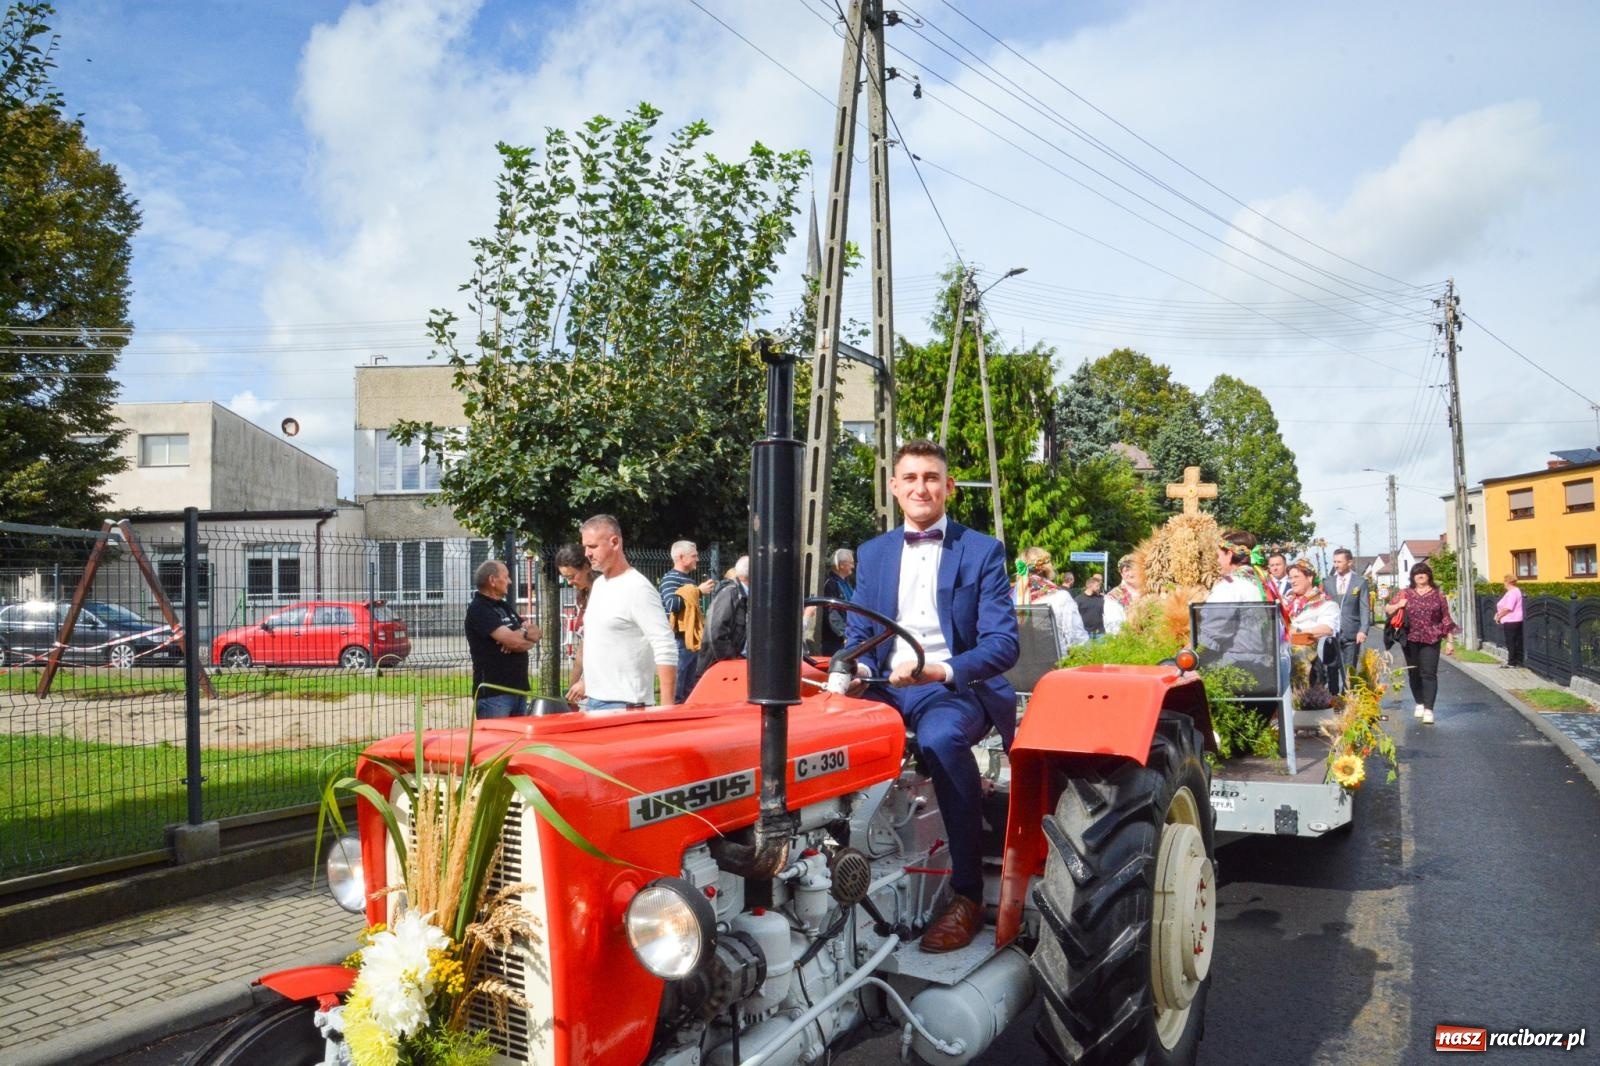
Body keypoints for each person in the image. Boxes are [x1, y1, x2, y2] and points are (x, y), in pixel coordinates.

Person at [844, 439, 1019, 954]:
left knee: (942, 739)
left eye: (932, 478)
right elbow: (859, 636)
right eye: (911, 478)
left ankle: (967, 893)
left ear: (949, 487)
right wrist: (854, 668)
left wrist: (940, 669)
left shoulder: (981, 550)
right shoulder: (873, 554)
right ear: (895, 488)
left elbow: (1003, 644)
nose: (922, 487)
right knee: (814, 735)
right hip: (884, 690)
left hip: (953, 688)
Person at [573, 515, 677, 711]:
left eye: (593, 546)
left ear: (614, 542)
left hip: (625, 704)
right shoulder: (599, 585)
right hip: (593, 701)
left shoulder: (638, 588)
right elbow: (600, 642)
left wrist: (667, 708)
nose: (587, 553)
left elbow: (665, 646)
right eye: (585, 547)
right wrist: (587, 681)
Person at [464, 559, 541, 718]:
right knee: (499, 742)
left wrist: (521, 637)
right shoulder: (479, 609)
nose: (510, 581)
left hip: (517, 690)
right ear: (492, 580)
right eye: (506, 577)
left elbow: (536, 633)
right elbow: (515, 641)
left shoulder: (504, 606)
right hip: (494, 695)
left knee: (519, 742)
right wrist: (521, 637)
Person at [1384, 561, 1457, 725]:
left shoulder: (1439, 595)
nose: (1420, 575)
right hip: (1410, 638)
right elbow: (1388, 609)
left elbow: (1446, 619)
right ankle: (1419, 702)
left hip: (1432, 637)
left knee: (1429, 673)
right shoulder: (1405, 593)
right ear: (1412, 577)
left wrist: (1450, 641)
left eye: (1423, 572)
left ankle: (1429, 709)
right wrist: (1398, 605)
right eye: (1417, 573)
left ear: (1429, 575)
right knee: (1414, 672)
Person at [661, 540, 716, 702]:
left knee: (689, 690)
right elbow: (672, 605)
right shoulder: (669, 579)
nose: (697, 559)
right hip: (679, 641)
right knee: (678, 690)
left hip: (690, 642)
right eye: (694, 556)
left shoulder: (689, 581)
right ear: (680, 557)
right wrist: (697, 591)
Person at [1014, 545, 1090, 655]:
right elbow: (1078, 639)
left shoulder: (1010, 597)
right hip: (1056, 667)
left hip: (1017, 669)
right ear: (1047, 566)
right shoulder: (1060, 597)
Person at [1285, 558, 1341, 691]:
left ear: (1309, 578)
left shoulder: (1326, 603)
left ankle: (1302, 696)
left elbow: (1326, 629)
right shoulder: (1286, 601)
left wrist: (1297, 632)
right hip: (1283, 646)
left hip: (1309, 647)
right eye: (1290, 578)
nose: (1292, 581)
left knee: (1297, 653)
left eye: (1296, 577)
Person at [554, 542, 597, 706]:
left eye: (571, 576)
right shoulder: (582, 596)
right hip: (587, 685)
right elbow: (583, 648)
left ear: (587, 566)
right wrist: (573, 686)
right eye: (565, 578)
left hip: (606, 685)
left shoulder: (604, 594)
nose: (569, 582)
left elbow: (609, 646)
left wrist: (588, 681)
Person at [1324, 548, 1372, 693]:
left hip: (1351, 632)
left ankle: (1347, 698)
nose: (1336, 565)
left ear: (1349, 562)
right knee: (1332, 667)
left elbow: (1364, 608)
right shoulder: (1327, 582)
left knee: (1349, 668)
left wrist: (1363, 630)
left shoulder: (1360, 582)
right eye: (1334, 562)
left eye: (1339, 561)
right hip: (1331, 632)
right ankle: (1334, 697)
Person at [698, 555, 751, 672]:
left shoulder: (743, 595)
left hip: (733, 662)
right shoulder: (730, 593)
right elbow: (716, 631)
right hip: (721, 665)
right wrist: (730, 658)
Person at [820, 548, 856, 656]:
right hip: (835, 640)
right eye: (851, 563)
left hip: (849, 635)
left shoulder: (846, 583)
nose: (853, 567)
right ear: (841, 565)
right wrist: (844, 634)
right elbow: (832, 613)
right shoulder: (830, 584)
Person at [1103, 554, 1140, 636]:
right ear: (1122, 574)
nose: (1131, 574)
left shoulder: (1150, 591)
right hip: (1127, 642)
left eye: (1134, 569)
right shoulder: (1113, 597)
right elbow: (1115, 629)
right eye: (1126, 570)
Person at [1495, 573, 1525, 669]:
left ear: (1508, 582)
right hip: (1511, 619)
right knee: (1512, 641)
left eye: (1504, 581)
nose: (1503, 583)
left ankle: (1512, 662)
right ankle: (1513, 660)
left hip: (1512, 620)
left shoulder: (1513, 592)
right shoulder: (1513, 591)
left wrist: (1499, 616)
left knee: (1511, 641)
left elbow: (1508, 608)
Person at [1077, 572, 1106, 636]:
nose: (1099, 588)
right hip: (1085, 633)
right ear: (1090, 585)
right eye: (1097, 586)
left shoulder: (1102, 598)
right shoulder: (1078, 600)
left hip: (1100, 633)